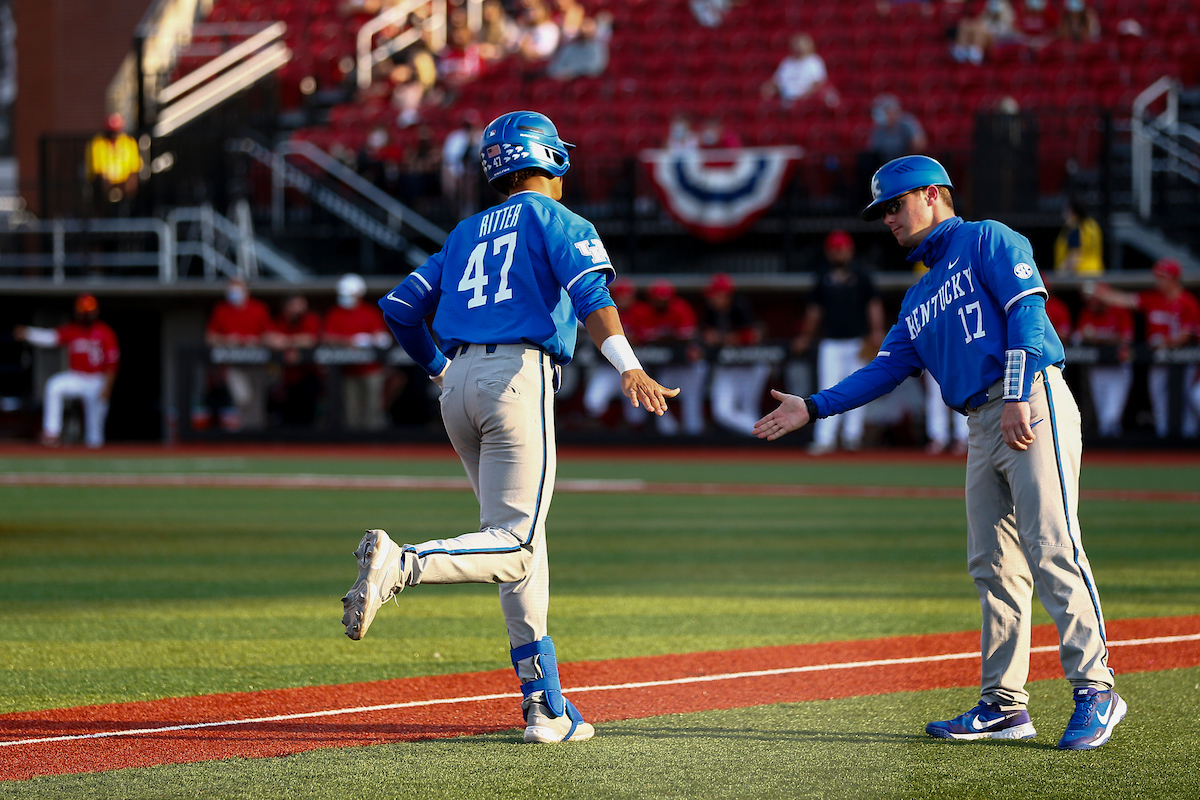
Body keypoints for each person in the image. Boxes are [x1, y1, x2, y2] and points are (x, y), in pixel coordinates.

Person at [754, 155, 1124, 751]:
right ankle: (1004, 705)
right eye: (884, 212)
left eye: (895, 206)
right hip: (981, 423)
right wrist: (815, 406)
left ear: (932, 194)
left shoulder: (988, 239)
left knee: (1052, 545)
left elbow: (1027, 311)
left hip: (1027, 399)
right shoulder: (920, 293)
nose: (889, 221)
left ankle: (1096, 688)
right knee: (994, 568)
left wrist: (1014, 390)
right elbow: (885, 371)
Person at [342, 111, 679, 744]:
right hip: (518, 376)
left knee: (520, 548)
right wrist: (630, 367)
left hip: (459, 383)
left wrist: (440, 366)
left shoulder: (465, 230)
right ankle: (401, 563)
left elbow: (400, 307)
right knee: (515, 544)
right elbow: (592, 299)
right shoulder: (557, 218)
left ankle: (545, 708)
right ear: (551, 157)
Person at [792, 230, 885, 454]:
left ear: (850, 250)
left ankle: (852, 437)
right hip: (831, 343)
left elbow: (873, 304)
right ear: (829, 252)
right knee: (827, 389)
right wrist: (806, 336)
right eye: (835, 250)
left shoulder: (862, 274)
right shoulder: (823, 276)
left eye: (842, 249)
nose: (839, 253)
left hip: (857, 341)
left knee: (858, 388)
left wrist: (877, 332)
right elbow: (814, 310)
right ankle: (825, 439)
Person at [1088, 258, 1200, 438]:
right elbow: (1126, 300)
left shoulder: (1187, 301)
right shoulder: (1154, 298)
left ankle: (1186, 442)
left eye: (1162, 277)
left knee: (1185, 400)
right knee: (1159, 401)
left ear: (1173, 278)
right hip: (1157, 358)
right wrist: (1100, 292)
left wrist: (1167, 341)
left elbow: (1186, 335)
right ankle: (1165, 440)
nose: (1158, 281)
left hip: (1182, 360)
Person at [13, 294, 119, 448]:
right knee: (55, 385)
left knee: (95, 433)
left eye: (89, 311)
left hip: (97, 380)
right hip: (77, 377)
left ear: (96, 311)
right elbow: (50, 338)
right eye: (83, 311)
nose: (86, 314)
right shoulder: (73, 330)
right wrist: (28, 333)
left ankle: (94, 455)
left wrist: (107, 387)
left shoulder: (105, 332)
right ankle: (52, 433)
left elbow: (112, 363)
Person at [627, 279, 707, 436]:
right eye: (657, 299)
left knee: (691, 403)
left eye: (664, 299)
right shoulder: (646, 312)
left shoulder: (680, 308)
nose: (661, 303)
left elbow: (686, 336)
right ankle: (670, 436)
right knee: (653, 395)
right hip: (668, 367)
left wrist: (661, 338)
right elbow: (642, 338)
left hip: (689, 366)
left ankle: (694, 440)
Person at [323, 273, 392, 431]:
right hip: (348, 371)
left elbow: (381, 338)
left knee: (373, 408)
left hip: (371, 370)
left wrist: (367, 340)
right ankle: (352, 448)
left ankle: (375, 445)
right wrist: (349, 341)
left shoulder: (369, 312)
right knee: (351, 410)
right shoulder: (335, 313)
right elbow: (327, 337)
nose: (344, 298)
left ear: (358, 294)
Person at [703, 273, 769, 436]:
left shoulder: (740, 306)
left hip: (751, 365)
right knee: (722, 412)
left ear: (726, 294)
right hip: (728, 365)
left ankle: (759, 442)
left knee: (748, 408)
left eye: (716, 295)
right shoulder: (712, 311)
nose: (712, 299)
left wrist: (721, 338)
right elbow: (706, 336)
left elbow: (752, 336)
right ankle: (762, 434)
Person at [205, 276, 274, 429]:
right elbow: (210, 338)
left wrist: (254, 340)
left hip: (256, 362)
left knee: (257, 400)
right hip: (233, 363)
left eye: (238, 288)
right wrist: (226, 340)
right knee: (242, 398)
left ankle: (256, 434)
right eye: (231, 288)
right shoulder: (221, 309)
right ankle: (245, 431)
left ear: (247, 291)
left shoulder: (258, 308)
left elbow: (269, 336)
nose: (234, 292)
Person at [582, 278, 648, 428]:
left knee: (636, 410)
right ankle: (600, 438)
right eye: (620, 296)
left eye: (626, 296)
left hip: (636, 367)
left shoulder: (641, 311)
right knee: (593, 402)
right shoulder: (606, 311)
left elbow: (648, 337)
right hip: (609, 367)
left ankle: (636, 441)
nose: (623, 299)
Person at [1074, 289, 1134, 438]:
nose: (1092, 304)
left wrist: (1097, 339)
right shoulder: (1087, 312)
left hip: (1117, 369)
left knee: (1111, 416)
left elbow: (1125, 340)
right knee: (1103, 417)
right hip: (1098, 367)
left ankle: (1116, 446)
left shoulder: (1119, 312)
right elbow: (1078, 338)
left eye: (1096, 300)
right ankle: (1111, 452)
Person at [267, 294, 323, 427]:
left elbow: (310, 339)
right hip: (286, 378)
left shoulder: (310, 318)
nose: (301, 308)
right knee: (287, 416)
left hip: (309, 375)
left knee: (307, 415)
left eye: (303, 305)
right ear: (287, 306)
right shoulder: (280, 320)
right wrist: (290, 343)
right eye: (297, 305)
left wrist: (287, 341)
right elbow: (269, 338)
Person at [85, 113, 141, 216]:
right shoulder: (98, 143)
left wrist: (125, 189)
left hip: (124, 184)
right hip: (103, 186)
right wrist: (110, 191)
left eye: (116, 132)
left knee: (132, 184)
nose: (114, 136)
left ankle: (128, 212)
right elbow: (99, 172)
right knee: (102, 186)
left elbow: (134, 169)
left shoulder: (128, 142)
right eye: (111, 132)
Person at [761, 33, 831, 109]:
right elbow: (777, 81)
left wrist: (804, 96)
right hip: (786, 98)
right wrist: (768, 88)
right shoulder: (787, 62)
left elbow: (819, 82)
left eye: (799, 45)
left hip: (807, 100)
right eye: (795, 45)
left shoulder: (814, 61)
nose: (797, 48)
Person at [1054, 199, 1104, 275]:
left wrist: (1061, 274)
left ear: (1072, 211)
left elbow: (1074, 256)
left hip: (1080, 275)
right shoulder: (1092, 225)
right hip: (1096, 271)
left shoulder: (1075, 228)